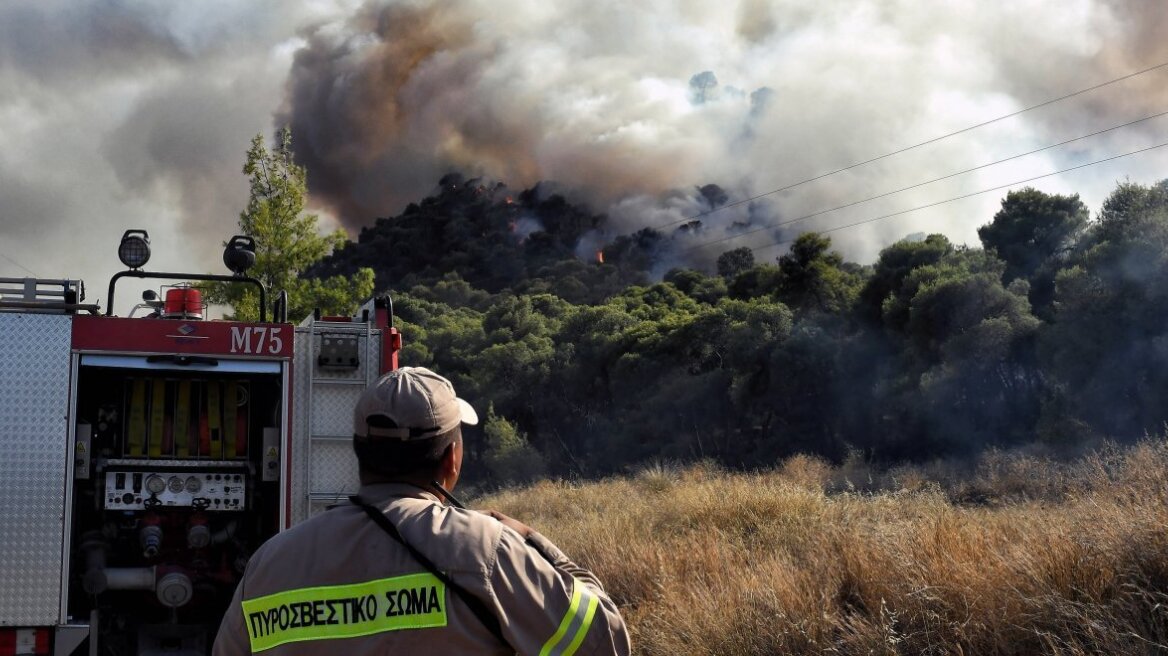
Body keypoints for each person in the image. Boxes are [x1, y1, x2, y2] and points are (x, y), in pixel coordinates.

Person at [212, 366, 631, 655]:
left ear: (360, 453)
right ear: (451, 458)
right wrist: (536, 543)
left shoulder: (270, 565)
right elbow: (603, 643)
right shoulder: (487, 552)